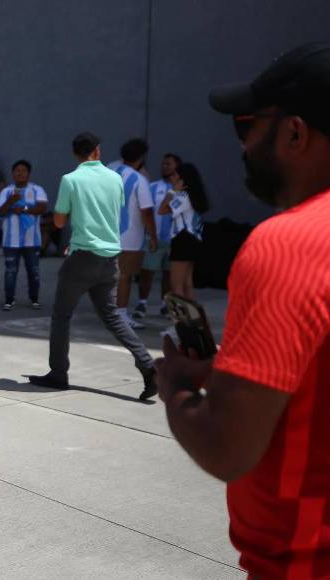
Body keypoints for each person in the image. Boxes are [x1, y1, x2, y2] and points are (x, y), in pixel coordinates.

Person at [156, 42, 330, 579]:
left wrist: (177, 385)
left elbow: (227, 446)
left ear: (295, 132)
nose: (244, 144)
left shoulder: (289, 245)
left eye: (247, 126)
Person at [28, 132, 157, 401]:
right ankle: (147, 366)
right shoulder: (115, 178)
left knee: (62, 316)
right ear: (97, 151)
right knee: (112, 317)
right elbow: (114, 211)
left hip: (82, 258)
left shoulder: (71, 179)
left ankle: (58, 374)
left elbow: (59, 222)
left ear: (75, 153)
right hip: (110, 259)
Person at [108, 139, 157, 330]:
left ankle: (108, 311)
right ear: (141, 157)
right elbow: (146, 211)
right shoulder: (138, 179)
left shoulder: (109, 172)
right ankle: (121, 315)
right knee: (124, 276)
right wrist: (153, 236)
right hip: (129, 236)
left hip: (106, 232)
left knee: (107, 275)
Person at [0, 160, 48, 310]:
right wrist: (10, 201)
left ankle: (34, 299)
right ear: (13, 173)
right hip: (11, 241)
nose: (20, 173)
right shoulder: (6, 192)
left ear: (28, 173)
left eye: (23, 170)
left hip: (32, 240)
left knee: (33, 271)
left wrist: (24, 209)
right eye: (17, 170)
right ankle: (9, 300)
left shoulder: (37, 189)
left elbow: (42, 208)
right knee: (10, 271)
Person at [133, 153, 181, 319]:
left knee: (169, 274)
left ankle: (165, 305)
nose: (164, 167)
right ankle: (142, 303)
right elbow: (145, 211)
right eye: (163, 164)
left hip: (175, 239)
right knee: (147, 272)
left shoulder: (183, 190)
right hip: (154, 238)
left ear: (177, 167)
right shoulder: (152, 187)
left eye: (168, 164)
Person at [157, 163, 209, 301]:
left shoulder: (182, 196)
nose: (172, 177)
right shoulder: (194, 195)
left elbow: (162, 210)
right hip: (193, 239)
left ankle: (182, 314)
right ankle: (192, 314)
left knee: (176, 285)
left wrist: (172, 191)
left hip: (182, 239)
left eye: (175, 175)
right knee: (187, 283)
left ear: (183, 179)